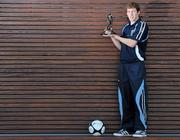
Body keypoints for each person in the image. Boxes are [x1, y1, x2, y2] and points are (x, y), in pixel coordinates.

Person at [102, 2, 149, 137]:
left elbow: (132, 43)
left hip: (136, 65)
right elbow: (121, 47)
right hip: (123, 65)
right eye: (129, 12)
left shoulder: (142, 25)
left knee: (138, 96)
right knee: (125, 97)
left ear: (138, 12)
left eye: (133, 11)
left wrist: (116, 36)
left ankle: (141, 129)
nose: (131, 14)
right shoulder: (125, 28)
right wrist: (112, 36)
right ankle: (126, 128)